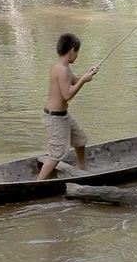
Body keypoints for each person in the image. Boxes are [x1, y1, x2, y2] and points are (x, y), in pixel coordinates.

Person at [37, 33, 99, 180]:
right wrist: (83, 80)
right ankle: (37, 183)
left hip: (63, 115)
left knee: (80, 140)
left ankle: (82, 168)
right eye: (77, 52)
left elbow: (73, 81)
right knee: (56, 154)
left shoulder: (61, 66)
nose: (77, 56)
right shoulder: (62, 70)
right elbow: (67, 95)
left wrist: (87, 74)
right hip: (55, 118)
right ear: (72, 50)